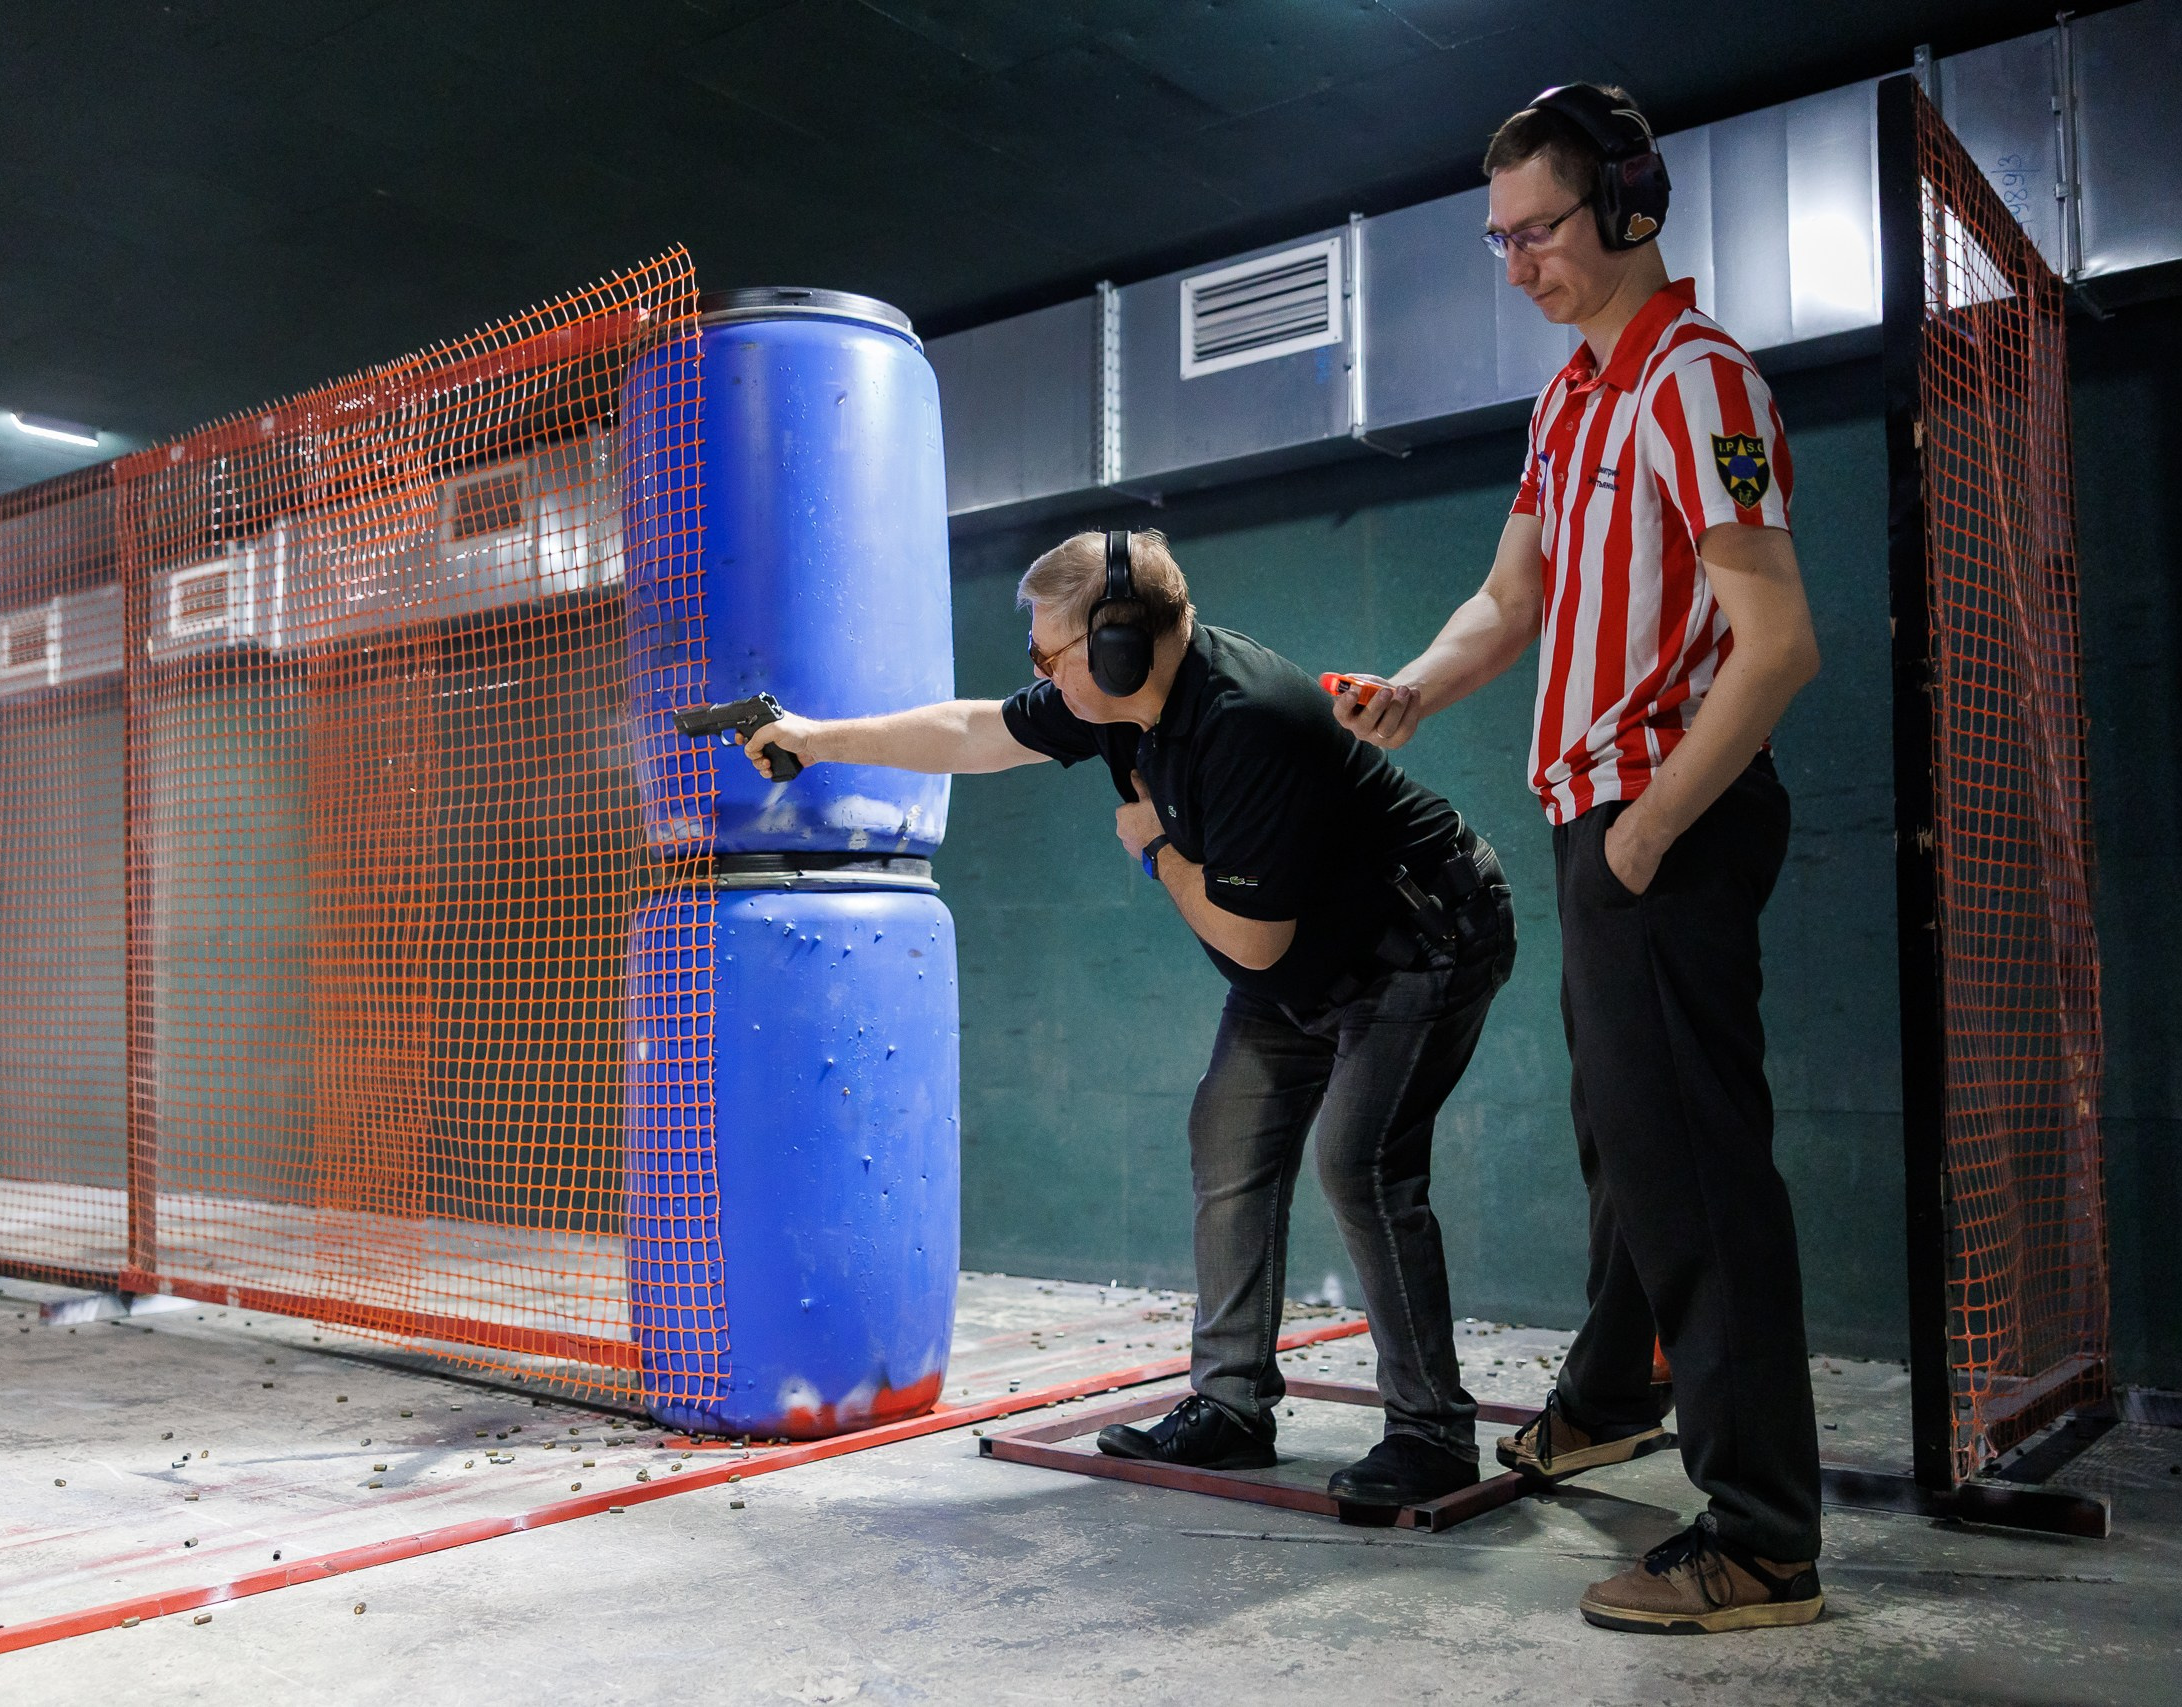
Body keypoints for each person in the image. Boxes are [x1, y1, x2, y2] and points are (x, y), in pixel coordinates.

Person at [1333, 83, 1826, 1633]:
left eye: (1538, 229)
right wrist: (1417, 683)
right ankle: (1613, 1396)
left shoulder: (1701, 381)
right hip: (1602, 822)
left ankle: (1761, 1539)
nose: (1517, 261)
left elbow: (1780, 644)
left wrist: (1649, 827)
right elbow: (1512, 593)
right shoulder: (1569, 402)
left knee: (1693, 1170)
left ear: (1626, 205)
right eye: (1498, 238)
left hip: (1663, 815)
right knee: (1628, 1138)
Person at [742, 528, 1515, 1509]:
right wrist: (814, 738)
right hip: (1309, 955)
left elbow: (1250, 944)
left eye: (1048, 654)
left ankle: (1432, 1433)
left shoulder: (1246, 722)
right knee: (1226, 1137)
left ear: (1118, 648)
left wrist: (1154, 847)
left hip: (1423, 935)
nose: (1039, 675)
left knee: (1359, 1162)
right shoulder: (1114, 704)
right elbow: (973, 732)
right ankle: (1230, 1409)